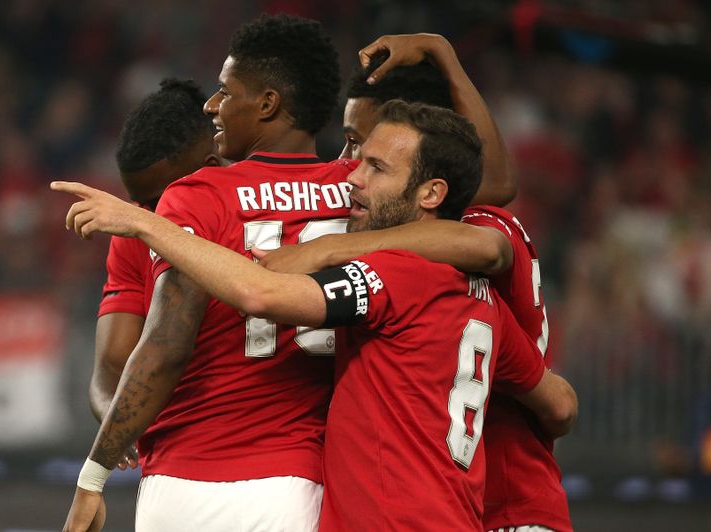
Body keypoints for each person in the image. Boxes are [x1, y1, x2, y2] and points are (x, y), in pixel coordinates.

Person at [54, 99, 578, 530]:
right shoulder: (486, 304)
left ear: (431, 193)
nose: (354, 178)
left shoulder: (392, 277)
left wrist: (144, 224)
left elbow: (259, 294)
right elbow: (560, 405)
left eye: (375, 167)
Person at [258, 34, 573, 531]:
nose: (347, 163)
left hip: (503, 501)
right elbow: (559, 407)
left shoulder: (473, 235)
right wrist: (444, 53)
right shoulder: (437, 229)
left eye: (364, 148)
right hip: (473, 504)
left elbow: (488, 245)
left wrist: (328, 249)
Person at [61, 14, 350, 532]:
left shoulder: (198, 195)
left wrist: (94, 473)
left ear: (267, 104)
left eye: (225, 91)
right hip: (294, 485)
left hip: (183, 483)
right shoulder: (361, 193)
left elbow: (166, 345)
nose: (213, 104)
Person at [89, 79, 221, 471]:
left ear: (210, 166)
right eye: (140, 202)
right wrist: (116, 423)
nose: (151, 212)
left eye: (161, 197)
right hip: (176, 462)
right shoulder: (135, 232)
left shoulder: (252, 215)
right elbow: (108, 371)